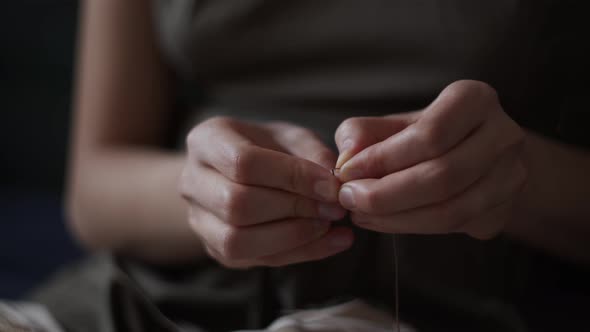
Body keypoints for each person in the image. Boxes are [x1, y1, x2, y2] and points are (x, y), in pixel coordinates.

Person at [40, 0, 589, 331]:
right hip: (142, 306)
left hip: (465, 312)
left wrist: (520, 178)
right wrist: (206, 192)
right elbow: (94, 191)